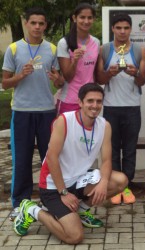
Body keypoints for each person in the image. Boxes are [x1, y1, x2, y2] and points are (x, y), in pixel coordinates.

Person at [13, 83, 128, 244]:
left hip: (78, 179)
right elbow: (52, 157)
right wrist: (64, 192)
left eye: (99, 101)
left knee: (120, 180)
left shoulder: (104, 125)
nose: (95, 106)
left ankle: (80, 210)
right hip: (53, 185)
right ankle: (32, 210)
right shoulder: (65, 120)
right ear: (80, 102)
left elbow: (107, 159)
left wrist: (103, 182)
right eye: (90, 101)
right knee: (75, 237)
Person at [2, 7, 64, 221]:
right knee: (22, 159)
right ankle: (20, 203)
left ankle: (51, 201)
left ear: (45, 25)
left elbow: (60, 81)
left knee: (50, 158)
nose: (37, 27)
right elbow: (5, 82)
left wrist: (57, 80)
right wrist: (20, 75)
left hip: (47, 112)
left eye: (41, 23)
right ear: (27, 24)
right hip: (22, 112)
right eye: (33, 23)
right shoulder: (14, 49)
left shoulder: (53, 49)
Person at [96, 13, 145, 205]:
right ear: (113, 29)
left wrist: (136, 73)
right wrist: (109, 73)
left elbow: (143, 81)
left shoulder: (139, 50)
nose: (122, 31)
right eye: (119, 28)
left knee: (130, 148)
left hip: (132, 107)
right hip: (110, 107)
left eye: (126, 28)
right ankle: (115, 186)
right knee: (112, 149)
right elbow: (99, 79)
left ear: (130, 29)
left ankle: (127, 185)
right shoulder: (105, 49)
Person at [56, 3, 100, 114]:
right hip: (70, 100)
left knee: (89, 132)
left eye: (89, 18)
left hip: (90, 101)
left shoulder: (96, 42)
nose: (86, 21)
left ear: (94, 19)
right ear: (74, 18)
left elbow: (94, 73)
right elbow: (68, 77)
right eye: (82, 17)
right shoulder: (64, 43)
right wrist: (74, 61)